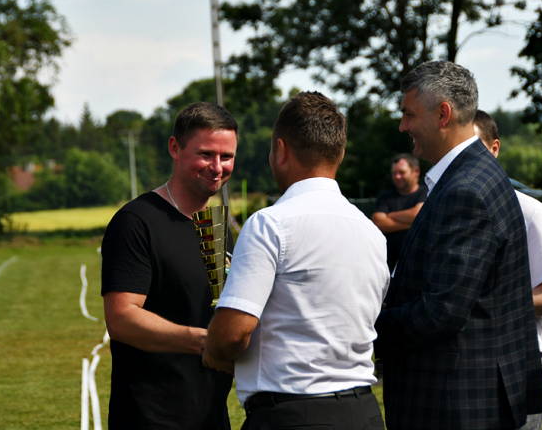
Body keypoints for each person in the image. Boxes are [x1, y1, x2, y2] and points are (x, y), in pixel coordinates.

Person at [374, 61, 542, 430]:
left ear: (443, 114)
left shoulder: (466, 189)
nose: (403, 126)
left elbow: (442, 310)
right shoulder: (473, 174)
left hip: (455, 403)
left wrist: (367, 326)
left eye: (408, 114)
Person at [205, 92, 390, 430]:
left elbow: (232, 334)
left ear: (281, 149)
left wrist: (212, 348)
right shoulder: (372, 232)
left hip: (292, 414)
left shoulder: (270, 224)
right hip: (362, 411)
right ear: (340, 153)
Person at [100, 102, 237, 429]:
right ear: (175, 148)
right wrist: (205, 340)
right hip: (151, 417)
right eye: (206, 154)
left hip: (211, 415)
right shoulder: (136, 222)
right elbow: (121, 317)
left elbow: (220, 307)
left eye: (227, 156)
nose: (217, 167)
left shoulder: (216, 226)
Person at [473, 110, 542, 430]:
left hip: (517, 362)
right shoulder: (444, 212)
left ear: (495, 148)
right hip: (465, 366)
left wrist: (479, 304)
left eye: (474, 146)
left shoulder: (531, 213)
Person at [372, 153, 428, 272]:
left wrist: (390, 215)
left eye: (401, 172)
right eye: (394, 173)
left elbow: (418, 213)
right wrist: (415, 223)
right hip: (389, 266)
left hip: (420, 264)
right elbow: (378, 222)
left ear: (416, 171)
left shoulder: (427, 192)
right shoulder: (386, 196)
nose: (397, 176)